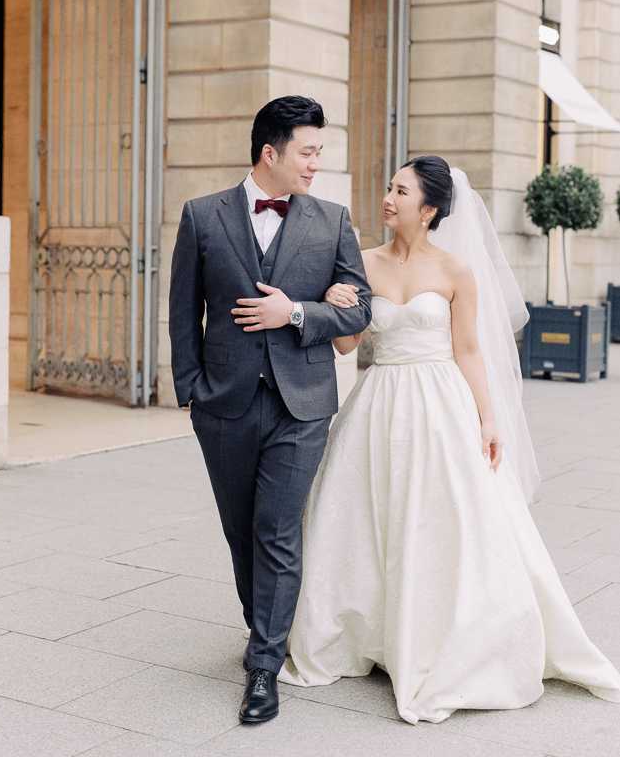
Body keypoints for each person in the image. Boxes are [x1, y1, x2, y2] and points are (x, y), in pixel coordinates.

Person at [279, 155, 620, 724]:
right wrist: (336, 304)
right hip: (378, 399)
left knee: (440, 518)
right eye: (389, 187)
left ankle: (442, 636)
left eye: (401, 191)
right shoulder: (362, 262)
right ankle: (367, 631)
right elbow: (346, 346)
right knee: (364, 513)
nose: (388, 198)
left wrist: (488, 417)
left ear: (429, 208)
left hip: (441, 404)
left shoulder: (457, 271)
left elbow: (468, 349)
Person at [169, 96, 372, 725]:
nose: (315, 163)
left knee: (278, 530)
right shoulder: (202, 216)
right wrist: (191, 389)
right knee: (240, 530)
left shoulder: (332, 220)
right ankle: (263, 627)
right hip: (224, 403)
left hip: (301, 403)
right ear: (269, 153)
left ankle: (263, 666)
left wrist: (299, 313)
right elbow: (183, 310)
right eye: (307, 152)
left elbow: (361, 308)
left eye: (318, 152)